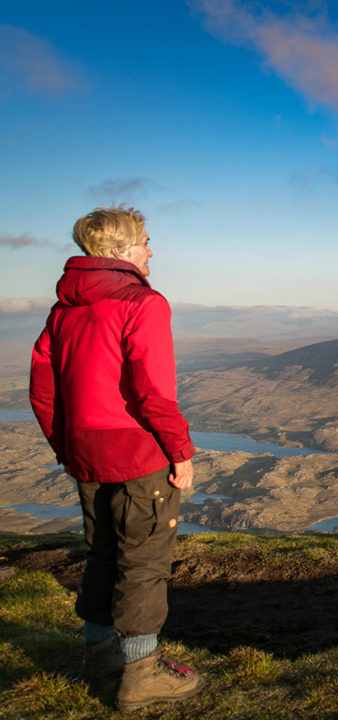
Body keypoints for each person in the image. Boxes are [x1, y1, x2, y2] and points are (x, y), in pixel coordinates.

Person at [28, 206, 202, 710]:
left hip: (85, 448)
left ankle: (100, 654)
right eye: (146, 241)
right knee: (144, 559)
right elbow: (152, 390)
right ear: (122, 251)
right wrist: (180, 450)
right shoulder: (142, 303)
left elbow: (44, 390)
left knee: (103, 550)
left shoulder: (63, 310)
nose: (152, 250)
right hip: (136, 451)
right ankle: (142, 674)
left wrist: (68, 445)